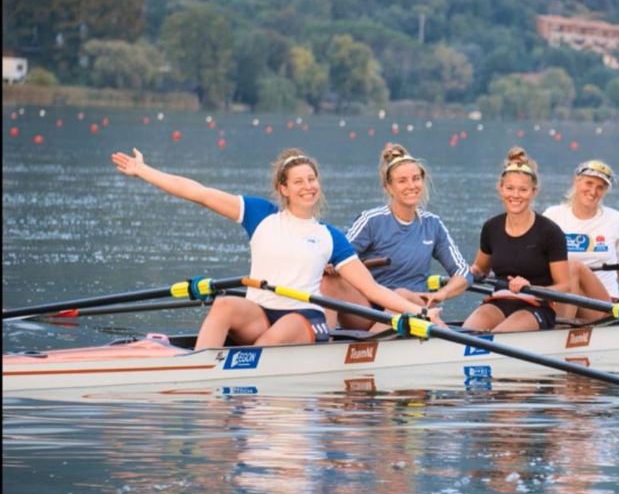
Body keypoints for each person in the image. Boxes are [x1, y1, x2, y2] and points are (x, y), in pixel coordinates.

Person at [111, 147, 442, 350]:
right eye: (298, 182)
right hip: (260, 312)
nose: (307, 187)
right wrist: (143, 171)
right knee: (225, 304)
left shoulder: (329, 237)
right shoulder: (258, 215)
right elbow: (198, 192)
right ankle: (196, 370)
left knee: (270, 343)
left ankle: (230, 367)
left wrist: (420, 313)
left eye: (311, 180)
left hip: (305, 318)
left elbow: (370, 288)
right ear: (284, 189)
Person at [322, 143, 471, 330]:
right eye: (402, 181)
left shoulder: (433, 224)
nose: (411, 186)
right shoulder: (371, 221)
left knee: (401, 294)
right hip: (371, 307)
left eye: (416, 179)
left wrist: (443, 293)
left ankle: (370, 348)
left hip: (414, 306)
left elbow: (464, 273)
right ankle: (324, 342)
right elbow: (340, 257)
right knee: (330, 282)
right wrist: (330, 265)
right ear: (389, 187)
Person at [462, 147, 570, 332]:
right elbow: (481, 268)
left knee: (500, 336)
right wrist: (469, 272)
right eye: (510, 188)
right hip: (498, 302)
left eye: (523, 190)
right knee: (469, 331)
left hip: (536, 306)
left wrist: (531, 286)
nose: (515, 195)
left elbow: (565, 286)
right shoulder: (491, 228)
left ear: (534, 191)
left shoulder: (550, 232)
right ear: (500, 189)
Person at [543, 159, 619, 322]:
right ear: (576, 181)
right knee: (568, 271)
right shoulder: (553, 215)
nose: (593, 191)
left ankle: (557, 332)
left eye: (600, 187)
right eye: (589, 183)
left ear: (605, 191)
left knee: (573, 266)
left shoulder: (613, 219)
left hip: (603, 304)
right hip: (558, 297)